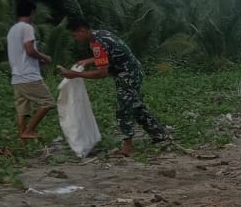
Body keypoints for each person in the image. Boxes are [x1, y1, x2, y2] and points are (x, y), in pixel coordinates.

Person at [59, 18, 169, 157]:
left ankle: (127, 148)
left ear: (82, 31)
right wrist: (89, 60)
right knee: (135, 106)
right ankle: (159, 134)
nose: (75, 38)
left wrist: (74, 74)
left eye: (75, 35)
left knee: (124, 109)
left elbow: (101, 73)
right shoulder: (102, 34)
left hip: (127, 74)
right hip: (133, 70)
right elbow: (110, 53)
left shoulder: (97, 44)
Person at [7, 1, 55, 140]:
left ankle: (23, 141)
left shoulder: (13, 30)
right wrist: (44, 57)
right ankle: (29, 131)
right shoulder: (27, 28)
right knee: (48, 102)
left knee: (23, 110)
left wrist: (37, 60)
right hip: (28, 76)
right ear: (32, 13)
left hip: (17, 77)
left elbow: (22, 52)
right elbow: (29, 50)